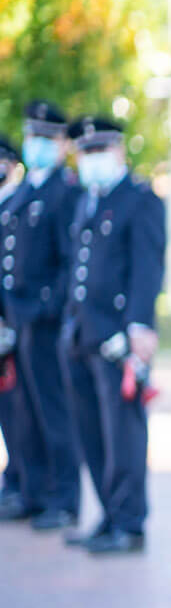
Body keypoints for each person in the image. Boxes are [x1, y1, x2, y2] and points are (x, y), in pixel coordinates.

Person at [58, 116, 163, 554]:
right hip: (83, 332)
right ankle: (107, 514)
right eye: (84, 153)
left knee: (123, 434)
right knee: (91, 432)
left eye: (98, 151)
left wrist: (139, 326)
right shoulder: (89, 199)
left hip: (118, 335)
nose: (90, 161)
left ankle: (129, 521)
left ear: (118, 151)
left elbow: (147, 266)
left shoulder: (139, 199)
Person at [0, 101, 82, 531]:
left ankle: (63, 497)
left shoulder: (64, 193)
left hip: (45, 320)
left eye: (47, 139)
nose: (37, 146)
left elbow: (69, 262)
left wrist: (47, 306)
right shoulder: (27, 191)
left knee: (54, 411)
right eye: (33, 137)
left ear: (62, 144)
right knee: (25, 412)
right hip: (19, 318)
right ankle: (33, 490)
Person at [0, 134, 32, 518]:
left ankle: (30, 483)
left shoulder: (19, 202)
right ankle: (17, 477)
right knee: (9, 411)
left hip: (19, 320)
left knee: (25, 408)